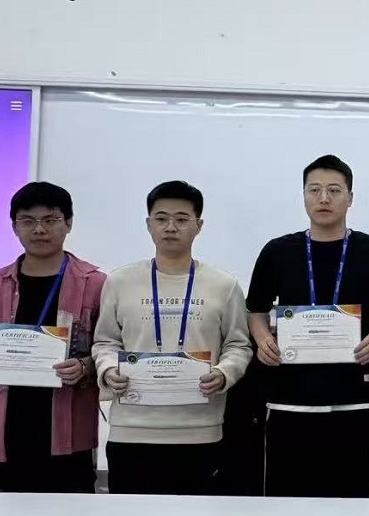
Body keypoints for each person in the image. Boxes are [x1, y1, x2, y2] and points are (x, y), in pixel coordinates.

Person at [246, 155, 369, 498]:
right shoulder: (278, 251)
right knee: (287, 504)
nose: (323, 198)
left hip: (354, 401)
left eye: (334, 190)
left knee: (352, 504)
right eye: (314, 190)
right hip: (289, 402)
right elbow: (255, 310)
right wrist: (262, 339)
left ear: (350, 197)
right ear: (303, 195)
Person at [93, 180, 252, 495]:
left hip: (200, 432)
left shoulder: (224, 284)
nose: (170, 227)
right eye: (161, 218)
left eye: (181, 219)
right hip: (132, 432)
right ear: (148, 224)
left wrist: (223, 373)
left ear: (198, 226)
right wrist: (108, 370)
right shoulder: (119, 282)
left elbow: (238, 344)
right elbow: (105, 342)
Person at [0, 182, 104, 493]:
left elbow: (111, 345)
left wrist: (86, 366)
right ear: (14, 227)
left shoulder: (95, 284)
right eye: (28, 221)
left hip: (66, 429)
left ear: (68, 223)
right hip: (3, 427)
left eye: (50, 220)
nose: (39, 230)